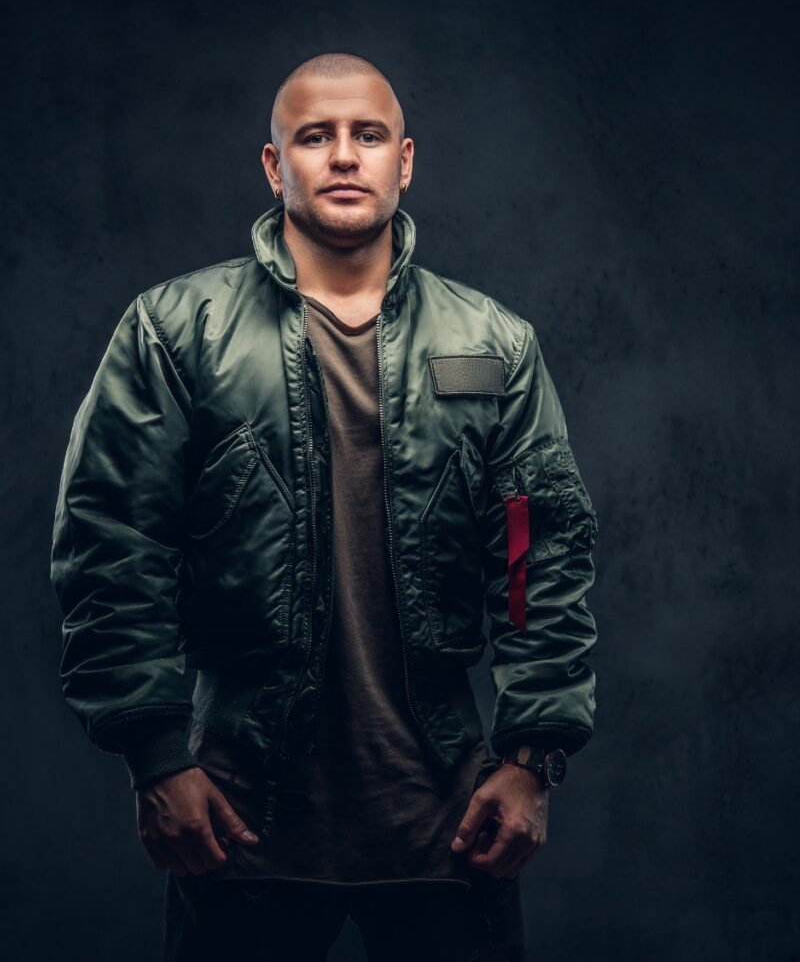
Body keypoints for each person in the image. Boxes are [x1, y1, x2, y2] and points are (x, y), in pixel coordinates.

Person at [50, 52, 600, 962]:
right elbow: (113, 544)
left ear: (405, 160)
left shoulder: (492, 342)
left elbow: (541, 557)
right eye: (316, 135)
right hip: (238, 815)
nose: (344, 155)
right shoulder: (177, 329)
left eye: (368, 135)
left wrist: (531, 757)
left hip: (449, 820)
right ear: (276, 166)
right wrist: (156, 757)